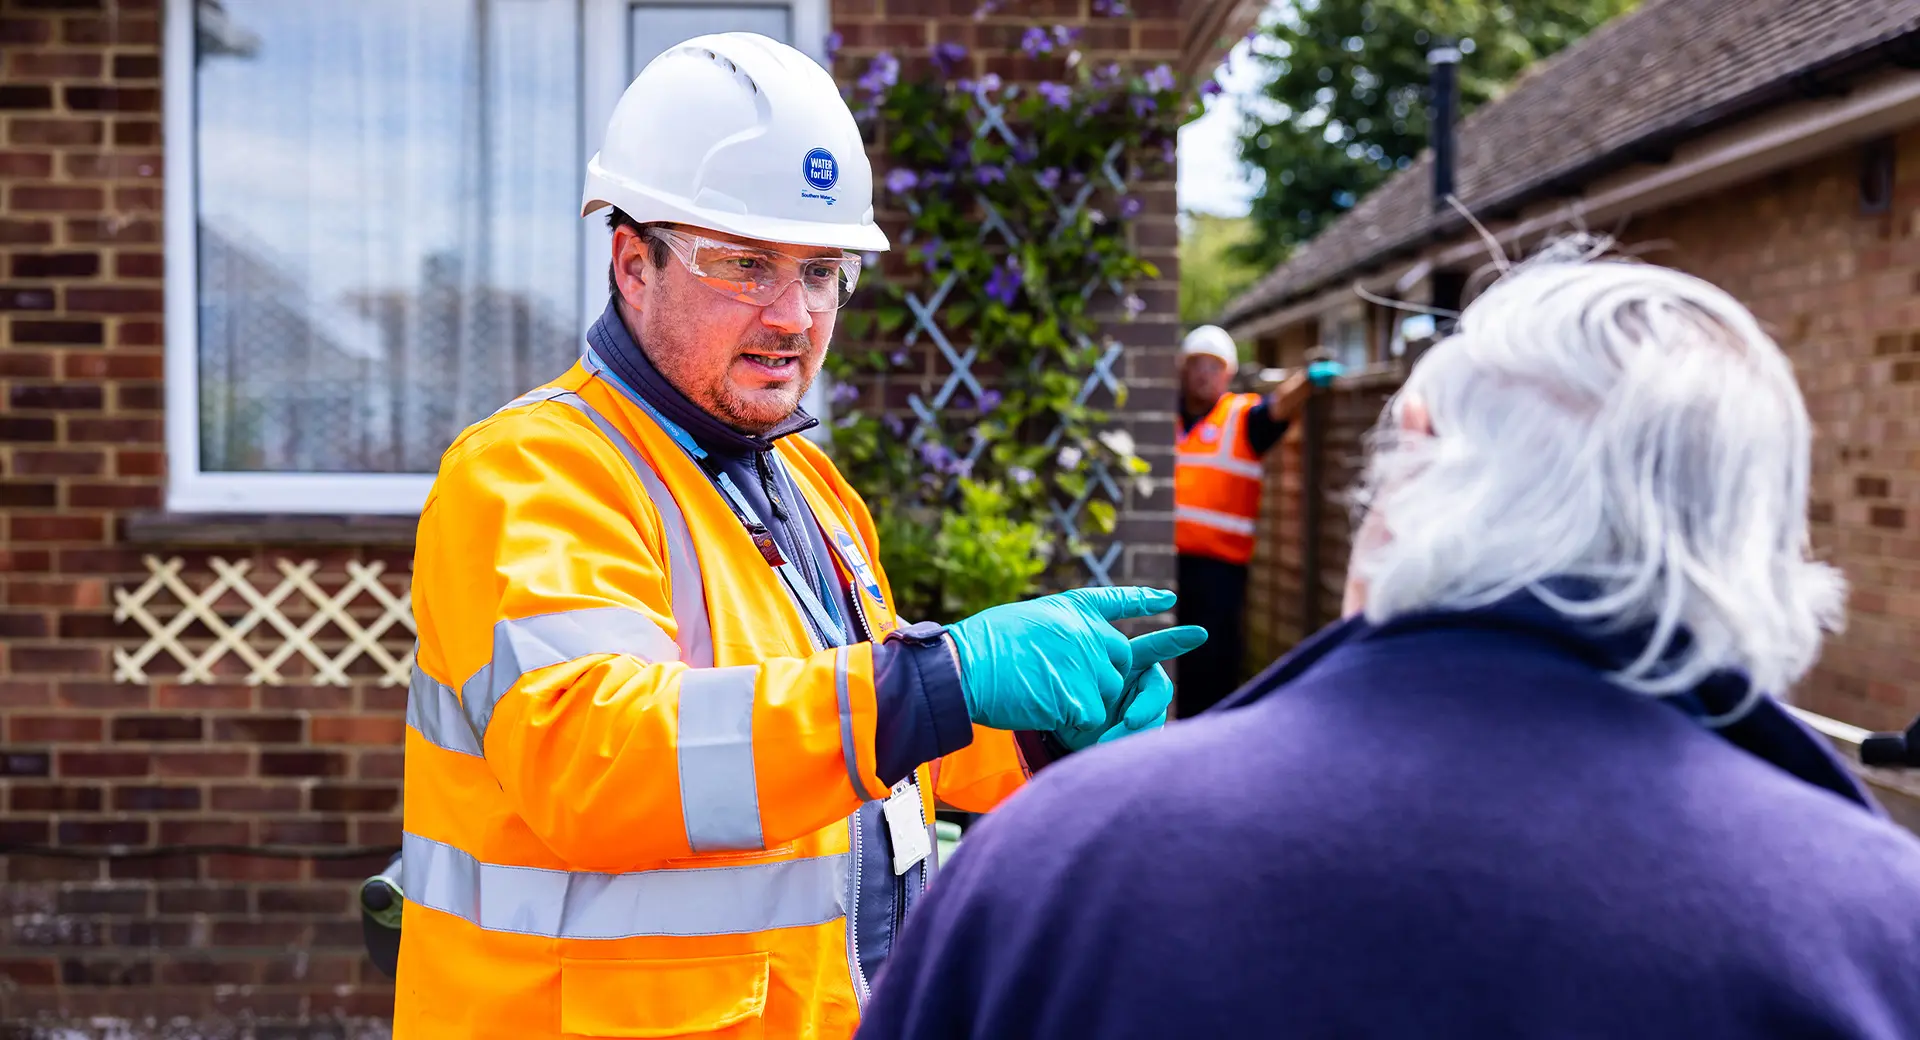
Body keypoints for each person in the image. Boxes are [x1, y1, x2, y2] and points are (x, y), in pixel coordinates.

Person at [854, 250, 1920, 1040]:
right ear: (1764, 526)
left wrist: (1058, 768)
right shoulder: (1883, 931)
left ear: (1412, 456)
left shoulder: (1053, 866)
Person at [393, 33, 1203, 1040]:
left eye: (823, 271)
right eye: (747, 265)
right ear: (633, 262)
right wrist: (943, 676)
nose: (795, 316)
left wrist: (1043, 733)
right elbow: (597, 760)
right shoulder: (532, 470)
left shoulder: (802, 483)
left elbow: (863, 744)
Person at [1172, 324, 1312, 715]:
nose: (1204, 373)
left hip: (1221, 572)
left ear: (1228, 373)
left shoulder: (1242, 418)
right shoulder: (1162, 419)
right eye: (1196, 364)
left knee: (1213, 665)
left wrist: (1309, 378)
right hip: (1168, 565)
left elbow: (1280, 407)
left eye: (1213, 366)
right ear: (1183, 369)